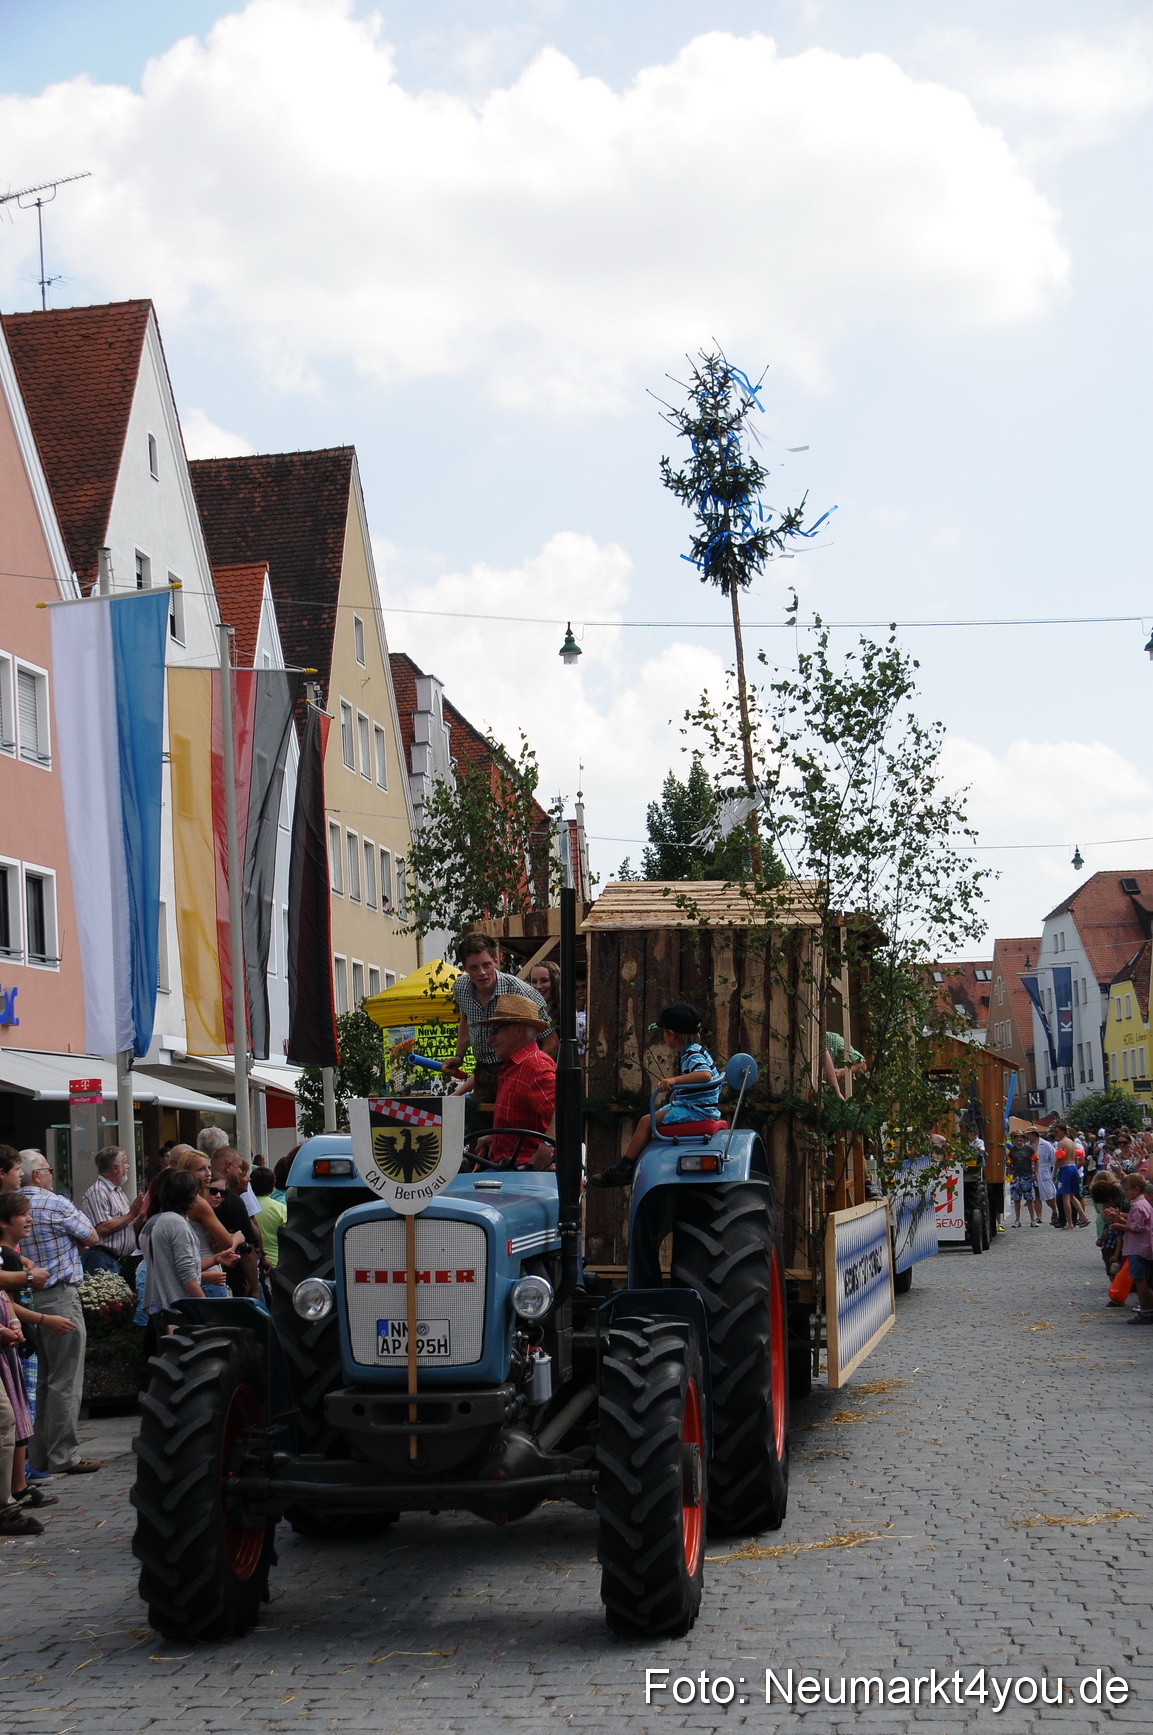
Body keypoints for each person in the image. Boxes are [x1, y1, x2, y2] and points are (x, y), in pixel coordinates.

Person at [18, 1151, 100, 1476]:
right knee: (65, 1379)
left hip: (24, 1300)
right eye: (49, 1169)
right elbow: (92, 1236)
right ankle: (64, 1454)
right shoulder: (54, 1203)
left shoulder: (10, 1206)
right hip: (59, 1296)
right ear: (37, 1174)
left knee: (42, 1382)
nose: (52, 1174)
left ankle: (38, 1456)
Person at [593, 1003, 722, 1188]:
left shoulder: (692, 1054)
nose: (663, 1037)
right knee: (656, 1116)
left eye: (663, 1033)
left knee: (646, 1121)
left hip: (696, 1110)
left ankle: (623, 1169)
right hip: (693, 1106)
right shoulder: (696, 1050)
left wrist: (674, 1080)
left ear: (671, 1034)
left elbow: (705, 1074)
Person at [443, 934, 548, 1107]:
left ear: (496, 960)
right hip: (483, 1071)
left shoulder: (518, 989)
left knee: (511, 1125)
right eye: (474, 968)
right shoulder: (460, 987)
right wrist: (459, 1055)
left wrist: (537, 1075)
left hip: (516, 1070)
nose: (482, 973)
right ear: (465, 968)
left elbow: (551, 1041)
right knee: (482, 1129)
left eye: (486, 965)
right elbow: (466, 1018)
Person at [470, 995, 557, 1170]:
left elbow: (564, 1111)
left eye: (495, 1030)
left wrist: (547, 1149)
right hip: (505, 1167)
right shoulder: (513, 1065)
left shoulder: (536, 1066)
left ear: (518, 1029)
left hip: (523, 1173)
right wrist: (497, 1138)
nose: (489, 1039)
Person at [141, 1170, 206, 1317]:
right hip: (176, 1307)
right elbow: (187, 1274)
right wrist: (204, 1308)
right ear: (189, 1196)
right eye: (196, 1193)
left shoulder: (163, 1220)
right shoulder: (177, 1224)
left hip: (163, 1306)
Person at [79, 1146, 145, 1276]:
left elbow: (127, 1225)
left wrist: (141, 1215)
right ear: (115, 1168)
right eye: (125, 1162)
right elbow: (102, 1227)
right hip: (102, 1259)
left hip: (121, 1260)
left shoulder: (118, 1192)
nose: (128, 1166)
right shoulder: (98, 1192)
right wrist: (131, 1214)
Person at [209, 1149, 260, 1297]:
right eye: (240, 1168)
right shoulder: (233, 1202)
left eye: (221, 1193)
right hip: (225, 1282)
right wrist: (254, 1288)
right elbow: (246, 1248)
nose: (218, 1197)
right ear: (228, 1166)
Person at [1105, 1174, 1153, 1323]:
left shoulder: (1138, 1205)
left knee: (1140, 1280)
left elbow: (1137, 1228)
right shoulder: (1142, 1203)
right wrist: (1120, 1219)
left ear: (1136, 1189)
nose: (1125, 1193)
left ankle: (1146, 1311)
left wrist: (1120, 1225)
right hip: (1142, 1246)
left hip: (1138, 1247)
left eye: (1126, 1190)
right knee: (1143, 1280)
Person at [249, 1166, 286, 1267]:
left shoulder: (246, 1207)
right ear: (272, 1185)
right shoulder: (281, 1209)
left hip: (251, 1261)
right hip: (276, 1261)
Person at [528, 960, 562, 1060]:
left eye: (544, 981)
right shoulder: (527, 1013)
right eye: (534, 981)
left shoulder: (565, 1016)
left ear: (555, 982)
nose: (538, 986)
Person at [1007, 1132, 1041, 1227]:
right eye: (1017, 1138)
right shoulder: (1012, 1150)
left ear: (1024, 1139)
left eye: (1020, 1137)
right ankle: (1017, 1220)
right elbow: (1009, 1163)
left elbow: (1036, 1160)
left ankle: (1032, 1220)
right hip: (1016, 1176)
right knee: (1016, 1199)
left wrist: (1036, 1172)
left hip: (1027, 1176)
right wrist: (1010, 1174)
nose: (1019, 1139)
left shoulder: (1029, 1149)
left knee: (1029, 1199)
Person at [1030, 1127, 1059, 1225]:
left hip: (1044, 1170)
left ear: (1034, 1134)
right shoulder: (1027, 1146)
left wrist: (1054, 1172)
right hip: (1031, 1171)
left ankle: (1054, 1210)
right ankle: (1039, 1216)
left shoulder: (1046, 1145)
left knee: (1048, 1194)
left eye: (1029, 1134)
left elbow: (1054, 1159)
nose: (1027, 1136)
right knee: (1035, 1195)